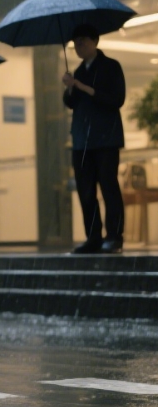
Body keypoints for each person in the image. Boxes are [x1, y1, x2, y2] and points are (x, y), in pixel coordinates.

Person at [62, 23, 126, 254]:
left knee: (109, 187)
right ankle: (93, 237)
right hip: (82, 140)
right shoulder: (78, 71)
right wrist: (71, 87)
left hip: (106, 139)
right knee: (85, 190)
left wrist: (81, 86)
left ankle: (114, 236)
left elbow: (116, 100)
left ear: (94, 42)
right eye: (75, 43)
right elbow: (70, 102)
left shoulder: (110, 67)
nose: (78, 47)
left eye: (83, 42)